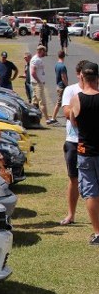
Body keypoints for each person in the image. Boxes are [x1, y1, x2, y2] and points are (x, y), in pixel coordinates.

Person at [68, 61, 99, 245]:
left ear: (82, 77)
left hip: (85, 151)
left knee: (91, 192)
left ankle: (97, 232)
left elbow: (73, 123)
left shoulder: (76, 99)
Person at [60, 60, 88, 226]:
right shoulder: (70, 90)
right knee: (74, 178)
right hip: (73, 140)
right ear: (79, 74)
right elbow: (67, 112)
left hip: (92, 140)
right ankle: (71, 214)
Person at [31, 45, 53, 123]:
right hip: (37, 84)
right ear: (40, 51)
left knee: (34, 101)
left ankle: (32, 117)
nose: (45, 53)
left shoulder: (38, 59)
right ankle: (47, 119)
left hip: (37, 83)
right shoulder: (36, 60)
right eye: (44, 51)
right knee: (42, 101)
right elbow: (33, 72)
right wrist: (39, 81)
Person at [51, 50, 69, 122]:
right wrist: (67, 85)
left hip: (58, 84)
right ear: (64, 56)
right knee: (59, 102)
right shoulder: (63, 66)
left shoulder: (57, 65)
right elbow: (63, 77)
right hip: (62, 86)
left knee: (64, 101)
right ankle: (53, 117)